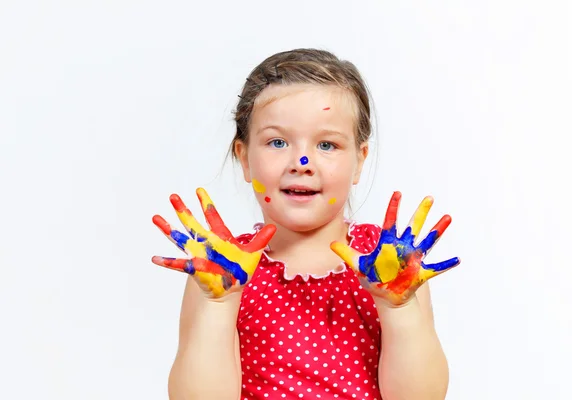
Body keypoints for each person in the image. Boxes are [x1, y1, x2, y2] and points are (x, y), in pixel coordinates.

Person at [151, 48, 461, 400]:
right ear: (245, 158)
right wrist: (219, 304)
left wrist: (398, 307)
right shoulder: (222, 270)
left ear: (359, 162)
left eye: (327, 144)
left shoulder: (388, 262)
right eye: (277, 142)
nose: (302, 162)